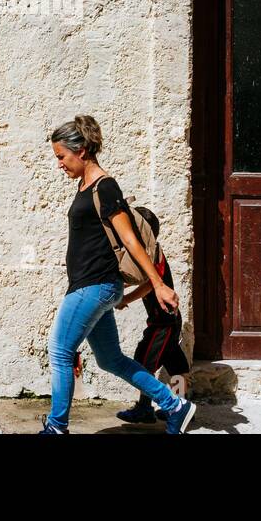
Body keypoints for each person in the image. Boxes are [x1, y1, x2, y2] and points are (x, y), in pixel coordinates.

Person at [39, 115, 197, 435]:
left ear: (81, 150)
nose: (59, 164)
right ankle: (174, 405)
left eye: (61, 156)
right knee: (110, 359)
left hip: (94, 286)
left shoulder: (105, 186)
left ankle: (56, 426)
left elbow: (130, 239)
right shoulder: (85, 186)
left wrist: (158, 285)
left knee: (59, 351)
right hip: (93, 286)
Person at [114, 206, 191, 423]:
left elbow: (149, 284)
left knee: (143, 361)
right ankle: (182, 405)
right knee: (176, 363)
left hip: (163, 323)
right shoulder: (152, 252)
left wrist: (125, 299)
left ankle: (144, 408)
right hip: (169, 320)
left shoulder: (153, 254)